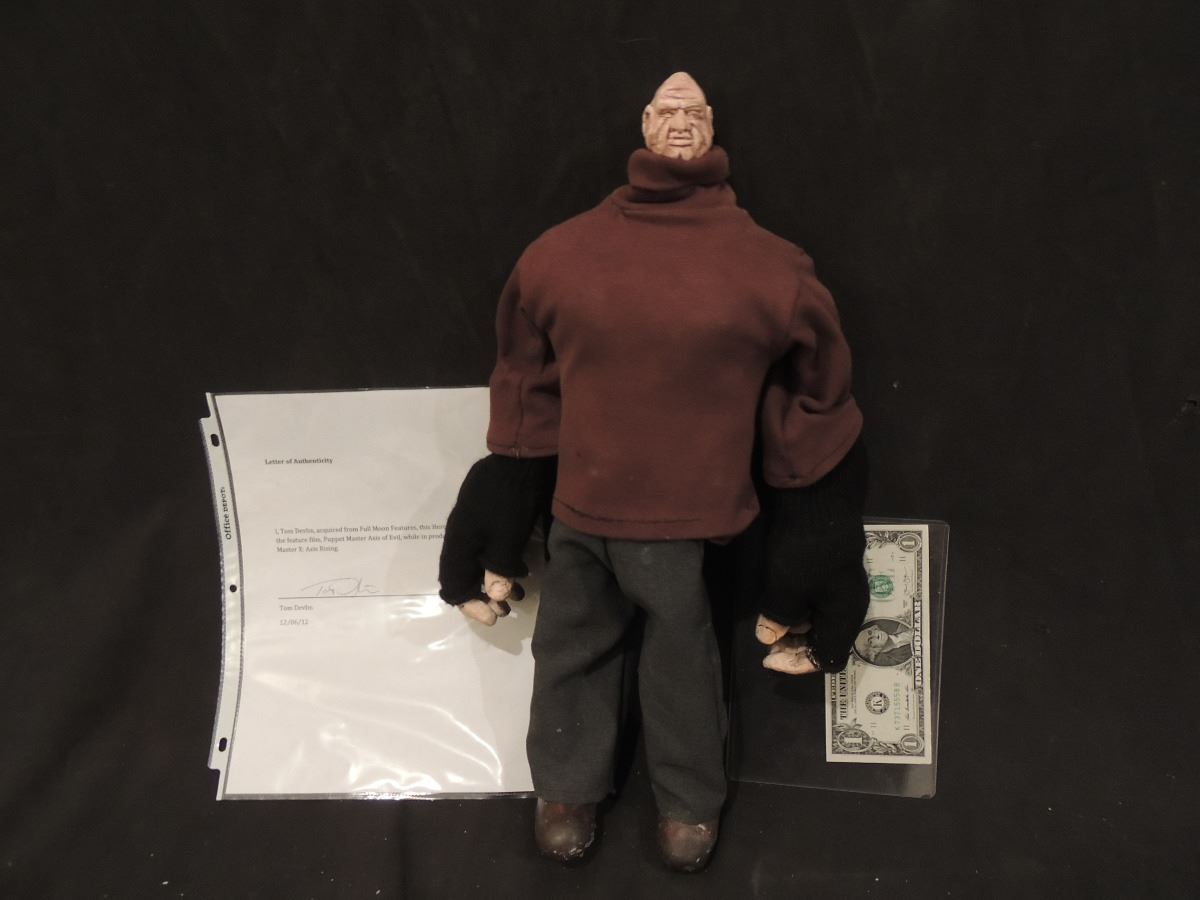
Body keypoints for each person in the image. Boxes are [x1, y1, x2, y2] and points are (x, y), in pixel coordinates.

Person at [438, 72, 870, 872]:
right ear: (642, 122)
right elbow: (526, 378)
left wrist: (821, 522)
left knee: (682, 662)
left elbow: (815, 397)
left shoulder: (768, 268)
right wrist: (508, 479)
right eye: (667, 110)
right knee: (568, 647)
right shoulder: (560, 256)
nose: (680, 122)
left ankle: (689, 800)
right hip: (579, 508)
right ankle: (565, 786)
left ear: (713, 126)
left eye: (693, 111)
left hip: (684, 519)